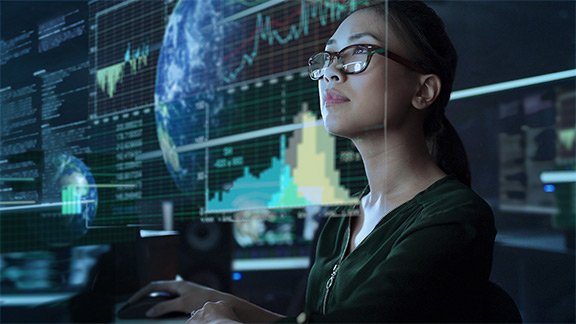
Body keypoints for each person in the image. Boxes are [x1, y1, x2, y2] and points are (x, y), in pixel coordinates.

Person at [128, 1, 496, 322]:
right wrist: (224, 304)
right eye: (328, 58)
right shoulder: (344, 220)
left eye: (358, 53)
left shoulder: (455, 217)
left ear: (423, 90)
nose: (330, 73)